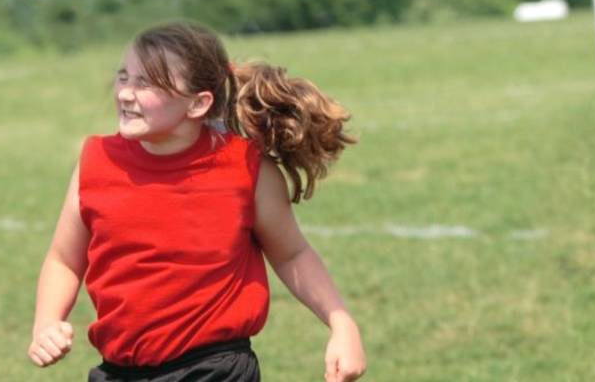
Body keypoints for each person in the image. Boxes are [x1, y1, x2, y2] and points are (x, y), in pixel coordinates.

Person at [28, 21, 367, 381]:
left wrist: (341, 323)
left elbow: (292, 253)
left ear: (198, 103)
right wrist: (47, 322)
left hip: (214, 370)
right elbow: (64, 259)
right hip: (118, 373)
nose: (126, 93)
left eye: (146, 83)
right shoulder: (95, 161)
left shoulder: (247, 169)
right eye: (123, 77)